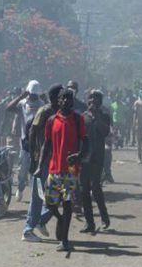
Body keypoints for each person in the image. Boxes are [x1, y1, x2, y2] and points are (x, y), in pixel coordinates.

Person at [36, 89, 88, 252]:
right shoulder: (52, 120)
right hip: (54, 168)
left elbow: (86, 142)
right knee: (50, 203)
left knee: (67, 203)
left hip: (71, 169)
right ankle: (60, 219)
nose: (66, 101)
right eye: (62, 98)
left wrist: (79, 155)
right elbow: (46, 145)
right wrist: (39, 166)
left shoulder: (78, 119)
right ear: (58, 101)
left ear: (72, 101)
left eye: (68, 98)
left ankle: (64, 240)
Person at [20, 83, 63, 242]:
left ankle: (41, 220)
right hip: (42, 160)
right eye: (61, 96)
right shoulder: (44, 111)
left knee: (58, 195)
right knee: (38, 196)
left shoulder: (61, 112)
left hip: (56, 160)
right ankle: (28, 230)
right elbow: (32, 132)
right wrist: (33, 158)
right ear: (54, 98)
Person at [6, 80, 45, 202]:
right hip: (25, 141)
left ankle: (38, 194)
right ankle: (20, 188)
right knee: (23, 168)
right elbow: (9, 108)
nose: (33, 97)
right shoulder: (23, 103)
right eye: (31, 94)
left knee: (38, 168)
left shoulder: (42, 104)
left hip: (39, 142)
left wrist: (46, 99)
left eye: (35, 95)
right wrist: (21, 97)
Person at [80, 90, 111, 233]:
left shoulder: (104, 116)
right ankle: (89, 223)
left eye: (95, 99)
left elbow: (105, 131)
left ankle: (104, 218)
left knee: (96, 187)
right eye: (90, 99)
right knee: (84, 189)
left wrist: (96, 117)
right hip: (84, 157)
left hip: (97, 157)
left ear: (100, 102)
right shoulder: (82, 117)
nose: (92, 102)